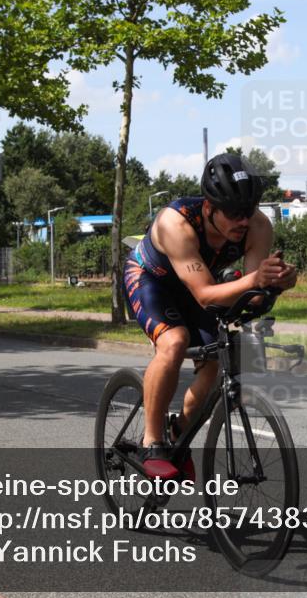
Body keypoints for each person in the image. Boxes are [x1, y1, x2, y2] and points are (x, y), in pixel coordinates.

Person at [123, 153, 297, 479]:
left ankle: (179, 437)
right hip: (152, 281)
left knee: (216, 361)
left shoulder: (258, 226)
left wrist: (278, 283)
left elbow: (254, 291)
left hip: (197, 286)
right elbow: (204, 293)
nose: (242, 221)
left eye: (247, 211)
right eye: (233, 214)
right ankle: (153, 441)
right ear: (208, 207)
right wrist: (256, 280)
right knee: (174, 342)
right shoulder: (176, 224)